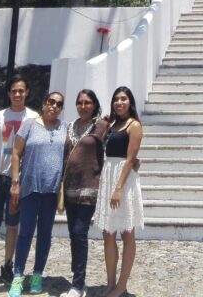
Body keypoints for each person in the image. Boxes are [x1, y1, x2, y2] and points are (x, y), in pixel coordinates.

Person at [0, 75, 37, 290]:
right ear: (9, 93)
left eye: (21, 91)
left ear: (27, 92)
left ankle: (8, 266)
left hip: (17, 181)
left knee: (12, 226)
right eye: (14, 91)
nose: (17, 94)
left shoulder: (33, 118)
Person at [8, 91, 68, 297]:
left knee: (44, 235)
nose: (54, 106)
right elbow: (16, 153)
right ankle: (18, 276)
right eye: (51, 101)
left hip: (51, 191)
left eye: (59, 104)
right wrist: (15, 182)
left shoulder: (64, 128)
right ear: (44, 103)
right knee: (25, 233)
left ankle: (37, 275)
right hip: (30, 187)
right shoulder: (30, 125)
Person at [59, 89, 109, 297]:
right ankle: (77, 280)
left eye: (87, 102)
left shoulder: (101, 124)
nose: (83, 106)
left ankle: (78, 285)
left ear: (95, 104)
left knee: (80, 233)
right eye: (79, 102)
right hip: (70, 188)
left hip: (89, 188)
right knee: (73, 235)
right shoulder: (71, 126)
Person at [94, 85, 144, 297]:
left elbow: (131, 159)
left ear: (130, 102)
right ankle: (110, 282)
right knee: (107, 233)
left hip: (123, 181)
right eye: (116, 99)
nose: (120, 102)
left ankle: (122, 285)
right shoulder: (112, 125)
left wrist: (118, 188)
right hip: (109, 176)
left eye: (123, 99)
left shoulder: (134, 125)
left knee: (127, 232)